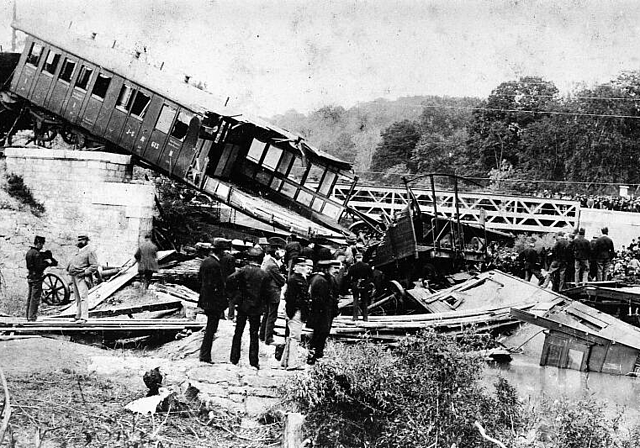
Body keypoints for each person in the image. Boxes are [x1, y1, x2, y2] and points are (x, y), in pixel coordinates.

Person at [227, 247, 270, 369]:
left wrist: (234, 296)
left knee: (238, 332)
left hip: (242, 306)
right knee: (254, 334)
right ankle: (253, 361)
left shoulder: (242, 271)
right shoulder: (264, 274)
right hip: (256, 308)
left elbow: (230, 280)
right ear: (260, 259)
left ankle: (234, 358)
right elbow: (267, 293)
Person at [197, 238, 228, 364]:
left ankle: (205, 353)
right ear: (220, 251)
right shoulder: (215, 265)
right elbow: (216, 286)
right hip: (213, 301)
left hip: (206, 299)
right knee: (211, 328)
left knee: (210, 327)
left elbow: (200, 279)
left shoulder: (205, 262)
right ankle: (205, 355)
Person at [306, 259, 340, 365]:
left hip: (321, 312)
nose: (335, 271)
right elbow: (322, 299)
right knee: (320, 334)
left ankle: (316, 354)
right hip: (322, 312)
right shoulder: (321, 281)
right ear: (325, 269)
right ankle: (315, 355)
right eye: (332, 268)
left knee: (319, 334)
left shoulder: (319, 278)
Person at [281, 257, 312, 370]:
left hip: (295, 311)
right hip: (296, 311)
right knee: (295, 337)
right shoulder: (295, 280)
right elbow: (291, 298)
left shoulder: (297, 278)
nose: (305, 268)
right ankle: (292, 364)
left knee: (291, 336)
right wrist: (293, 311)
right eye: (302, 266)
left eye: (305, 266)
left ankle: (285, 361)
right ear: (295, 268)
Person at [66, 234, 99, 323]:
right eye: (78, 240)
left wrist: (84, 273)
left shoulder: (90, 251)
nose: (78, 242)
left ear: (85, 241)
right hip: (74, 276)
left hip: (83, 277)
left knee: (83, 296)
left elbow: (94, 266)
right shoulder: (78, 251)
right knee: (77, 297)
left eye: (81, 240)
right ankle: (78, 315)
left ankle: (84, 317)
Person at [25, 235, 57, 321]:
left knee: (30, 297)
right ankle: (32, 317)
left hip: (30, 276)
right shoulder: (37, 254)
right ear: (38, 243)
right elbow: (39, 267)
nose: (42, 246)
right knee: (35, 298)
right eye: (42, 244)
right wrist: (47, 263)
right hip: (37, 278)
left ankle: (28, 315)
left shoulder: (29, 252)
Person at [260, 245, 286, 345]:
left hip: (267, 292)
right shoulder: (273, 265)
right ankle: (268, 338)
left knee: (266, 315)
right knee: (272, 316)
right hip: (273, 293)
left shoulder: (268, 262)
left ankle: (263, 335)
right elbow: (281, 281)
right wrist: (282, 278)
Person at [347, 252, 374, 321]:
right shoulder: (367, 266)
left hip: (355, 284)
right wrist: (367, 282)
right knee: (364, 301)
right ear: (362, 258)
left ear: (355, 258)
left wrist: (351, 285)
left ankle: (355, 317)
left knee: (355, 300)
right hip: (364, 283)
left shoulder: (352, 267)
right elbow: (371, 277)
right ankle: (365, 317)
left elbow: (348, 277)